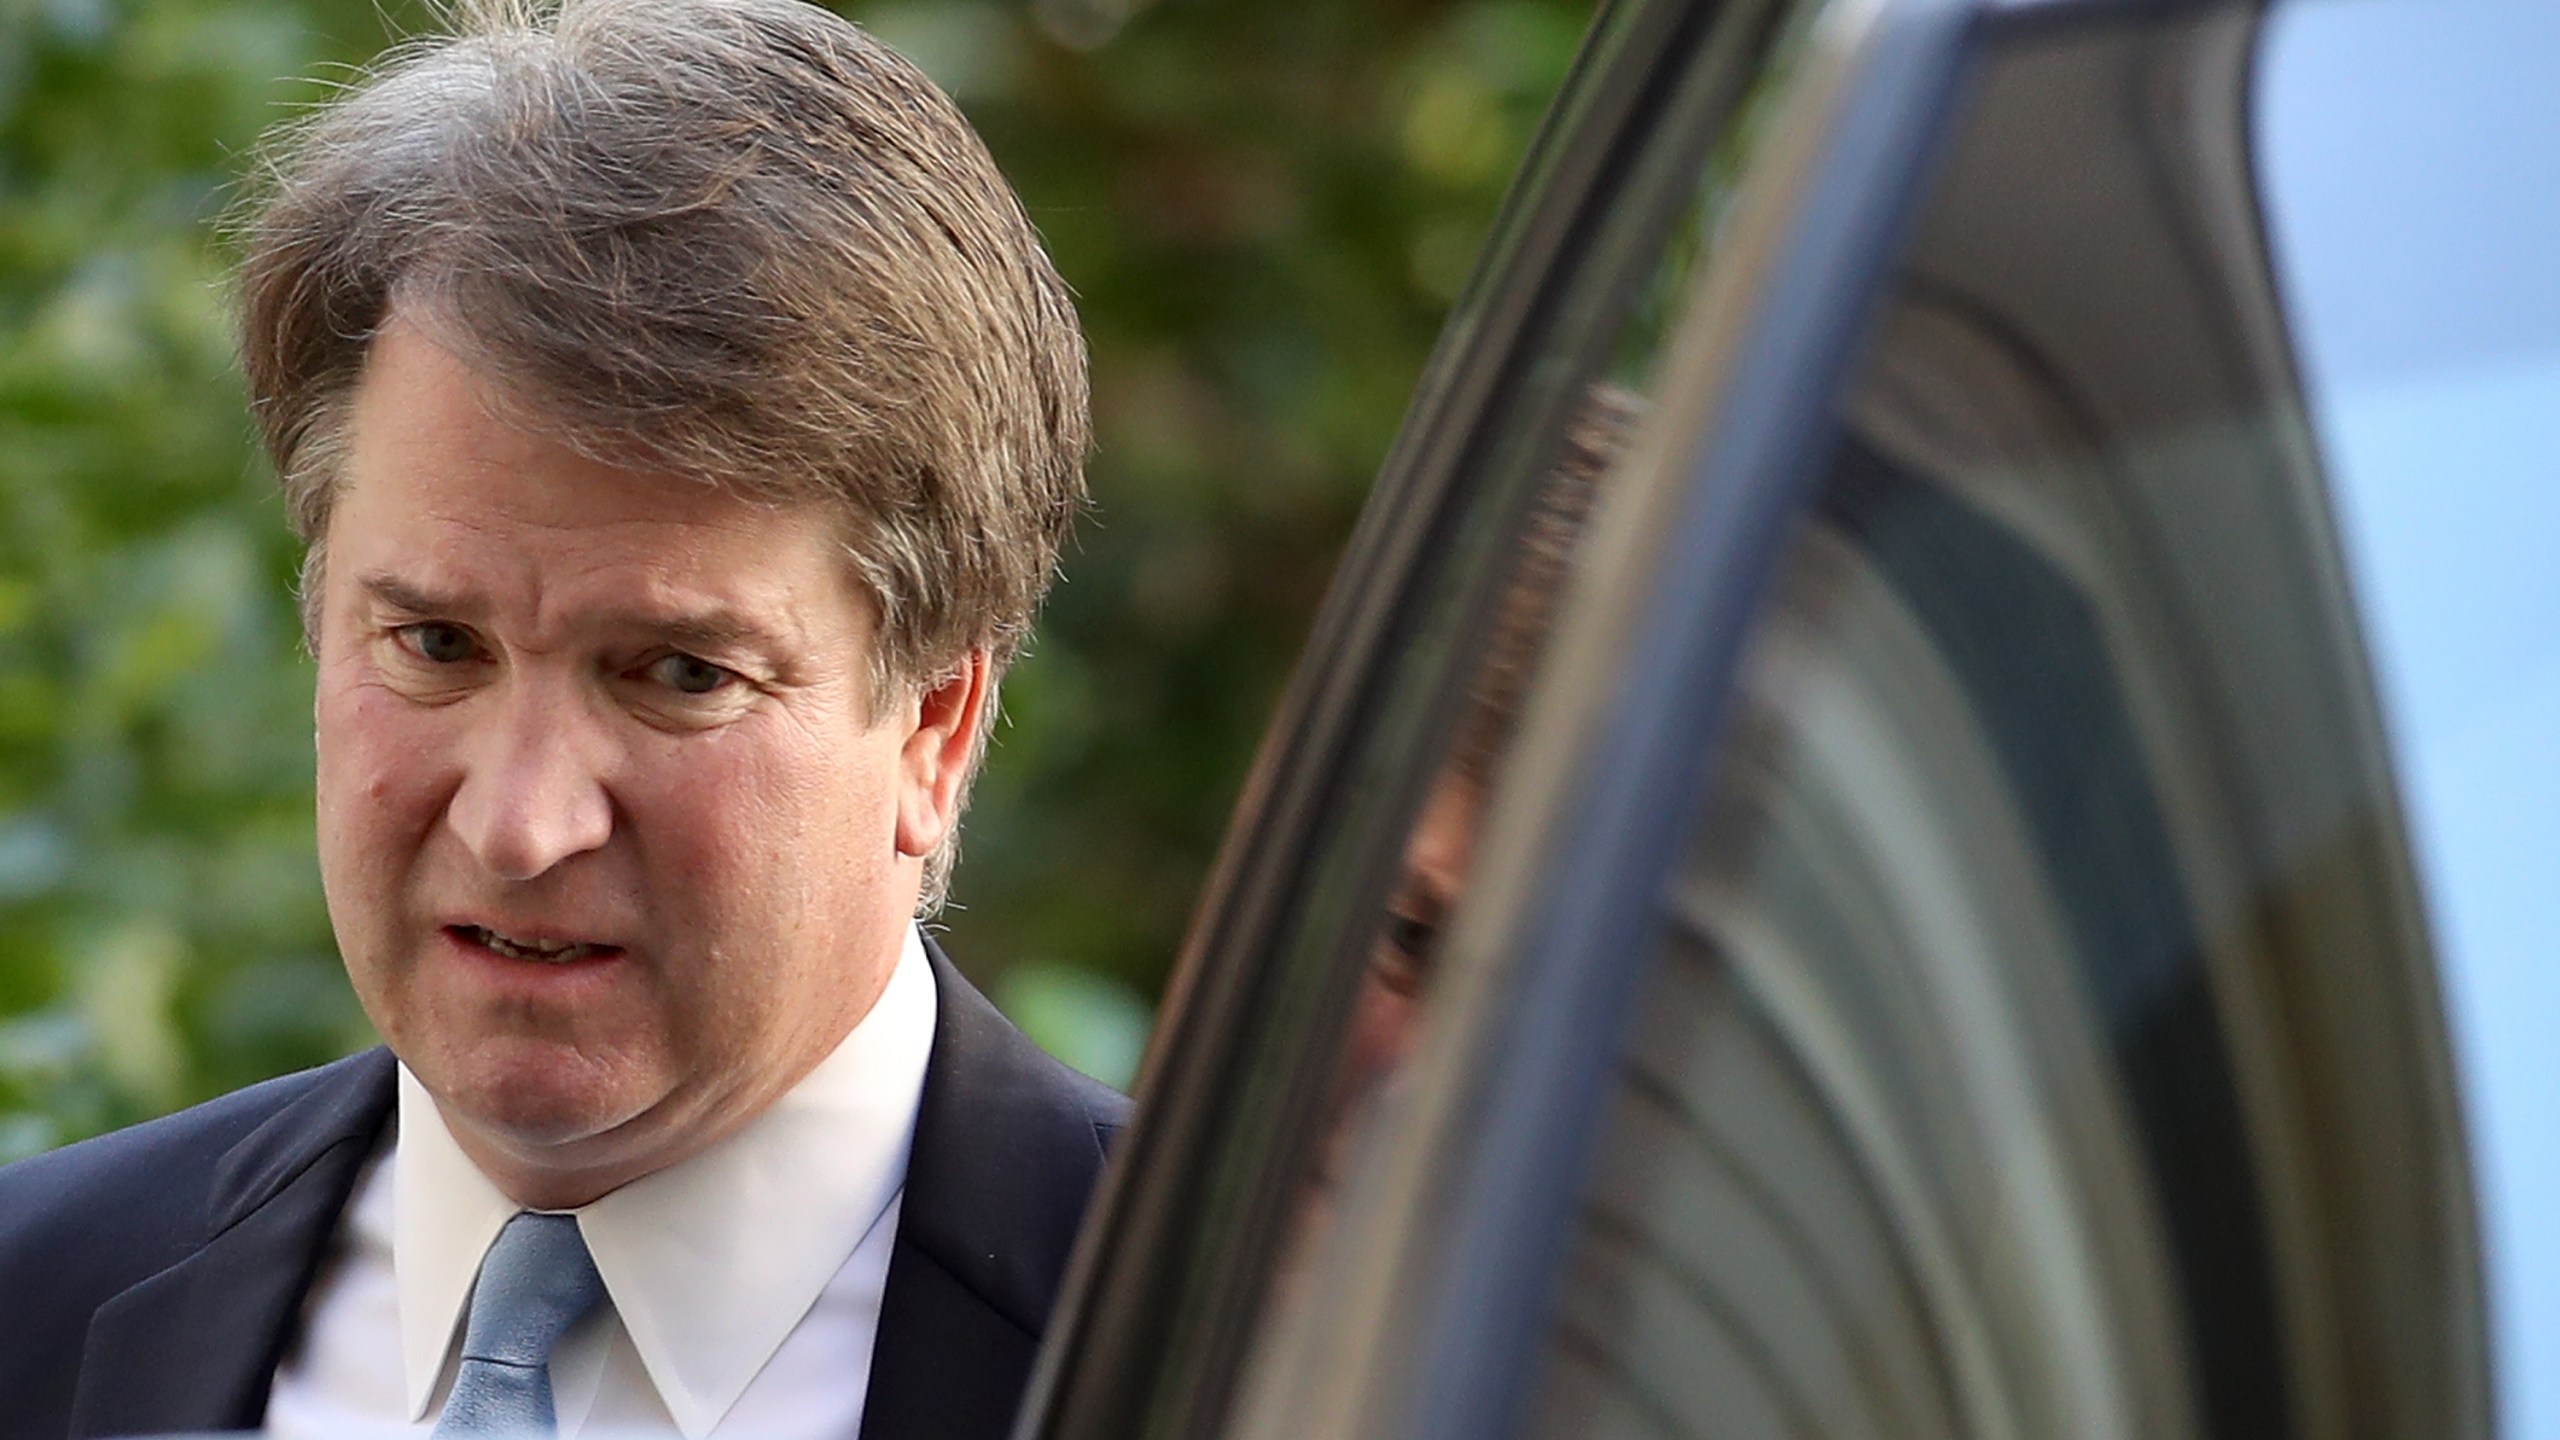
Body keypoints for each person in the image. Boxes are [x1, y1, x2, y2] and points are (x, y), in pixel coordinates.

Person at [0, 1, 1127, 1437]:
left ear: (936, 727)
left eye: (676, 675)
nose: (521, 824)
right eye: (436, 644)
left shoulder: (1274, 1344)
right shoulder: (30, 1304)